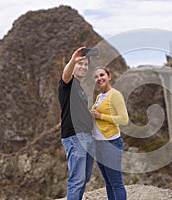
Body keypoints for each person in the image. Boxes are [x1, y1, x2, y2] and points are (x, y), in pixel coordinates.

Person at [58, 47, 94, 200]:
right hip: (74, 137)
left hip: (86, 137)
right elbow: (65, 75)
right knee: (77, 180)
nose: (83, 67)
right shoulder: (68, 83)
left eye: (86, 65)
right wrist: (73, 60)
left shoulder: (79, 87)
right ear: (73, 66)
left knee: (84, 178)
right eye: (80, 64)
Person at [91, 67, 129, 200]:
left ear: (109, 76)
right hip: (99, 144)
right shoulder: (99, 97)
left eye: (102, 75)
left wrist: (101, 116)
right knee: (108, 183)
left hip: (111, 143)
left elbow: (124, 119)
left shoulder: (115, 95)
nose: (99, 78)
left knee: (116, 183)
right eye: (96, 77)